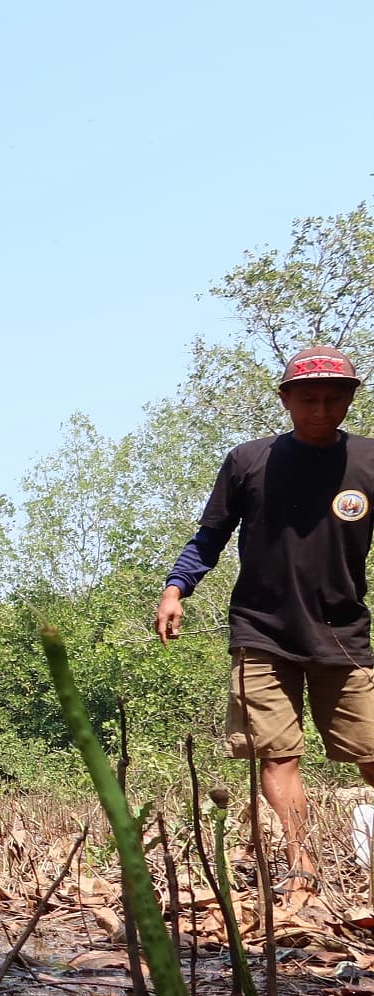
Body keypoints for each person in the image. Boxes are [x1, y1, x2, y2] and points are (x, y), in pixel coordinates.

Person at [158, 346, 374, 890]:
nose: (321, 409)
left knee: (371, 749)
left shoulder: (370, 462)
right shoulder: (249, 462)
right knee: (277, 752)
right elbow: (210, 535)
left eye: (334, 397)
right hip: (262, 629)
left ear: (351, 398)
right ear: (285, 400)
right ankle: (301, 867)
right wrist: (176, 587)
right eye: (308, 398)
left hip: (344, 632)